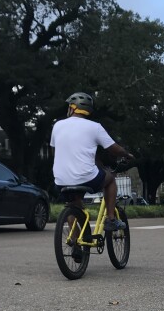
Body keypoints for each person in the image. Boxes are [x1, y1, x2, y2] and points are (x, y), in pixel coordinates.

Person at [50, 91, 133, 231]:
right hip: (86, 178)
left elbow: (55, 150)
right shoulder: (95, 127)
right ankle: (111, 219)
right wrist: (126, 154)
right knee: (110, 179)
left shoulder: (57, 126)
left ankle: (76, 243)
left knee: (73, 205)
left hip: (60, 180)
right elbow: (114, 149)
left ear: (72, 108)